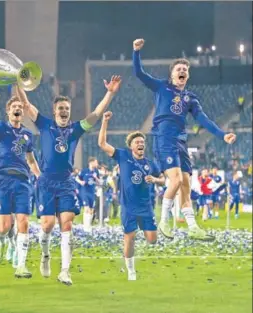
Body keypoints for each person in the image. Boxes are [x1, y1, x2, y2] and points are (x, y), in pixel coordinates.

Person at [17, 75, 122, 285]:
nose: (64, 111)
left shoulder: (76, 129)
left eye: (67, 108)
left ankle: (65, 271)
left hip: (66, 182)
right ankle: (45, 254)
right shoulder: (44, 124)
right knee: (47, 225)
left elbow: (96, 114)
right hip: (46, 182)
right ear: (54, 110)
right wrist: (18, 83)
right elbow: (26, 104)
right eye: (61, 108)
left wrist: (110, 92)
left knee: (67, 224)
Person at [132, 38, 236, 240]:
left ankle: (192, 227)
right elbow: (139, 74)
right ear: (172, 74)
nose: (182, 71)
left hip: (180, 142)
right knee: (176, 179)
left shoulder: (191, 98)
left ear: (187, 76)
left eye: (185, 70)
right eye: (178, 68)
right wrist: (136, 52)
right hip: (164, 138)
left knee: (186, 185)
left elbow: (203, 120)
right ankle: (163, 221)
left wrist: (223, 135)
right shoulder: (161, 87)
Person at [0, 91, 41, 278]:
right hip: (2, 179)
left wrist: (40, 177)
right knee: (4, 226)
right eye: (14, 107)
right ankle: (4, 242)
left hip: (22, 181)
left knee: (23, 222)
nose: (18, 109)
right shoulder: (0, 128)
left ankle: (21, 265)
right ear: (8, 112)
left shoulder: (28, 135)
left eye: (20, 107)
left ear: (23, 112)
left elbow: (31, 160)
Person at [98, 111, 165, 280]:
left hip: (146, 206)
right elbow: (102, 143)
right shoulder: (123, 156)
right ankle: (131, 271)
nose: (141, 143)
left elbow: (164, 180)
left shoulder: (151, 164)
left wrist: (155, 179)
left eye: (142, 141)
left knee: (152, 240)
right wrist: (105, 121)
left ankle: (142, 234)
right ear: (131, 146)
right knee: (129, 237)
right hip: (128, 206)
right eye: (137, 142)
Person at [76, 157, 101, 232]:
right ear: (91, 162)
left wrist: (96, 178)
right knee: (86, 209)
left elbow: (99, 182)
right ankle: (85, 227)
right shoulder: (84, 171)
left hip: (92, 192)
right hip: (84, 191)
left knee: (91, 210)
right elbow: (77, 178)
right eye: (96, 162)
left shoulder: (96, 171)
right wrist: (81, 182)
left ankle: (88, 225)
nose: (97, 164)